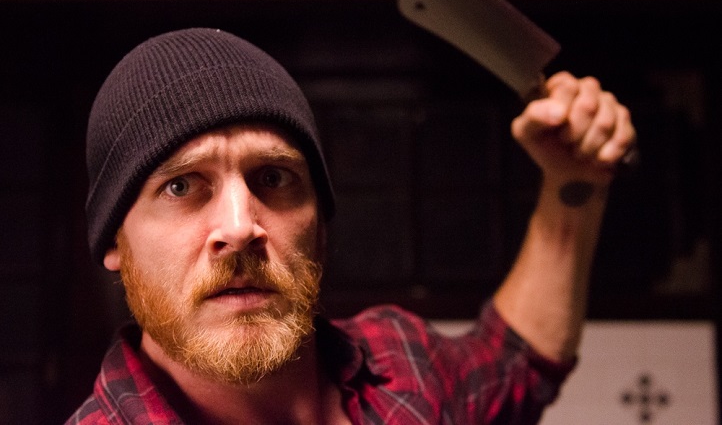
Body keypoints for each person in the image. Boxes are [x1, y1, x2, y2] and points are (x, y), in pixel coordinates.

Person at [67, 27, 635, 424]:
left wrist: (574, 182)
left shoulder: (403, 365)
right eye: (181, 186)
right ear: (115, 238)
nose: (240, 227)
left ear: (320, 222)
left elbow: (515, 363)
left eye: (273, 178)